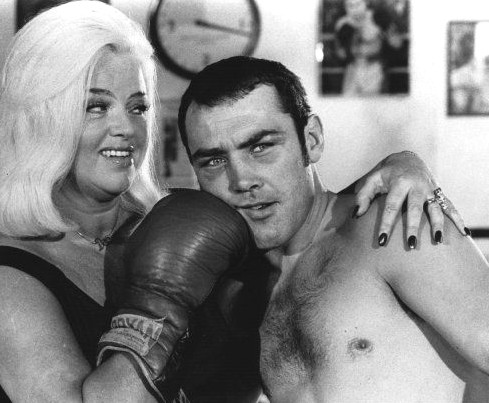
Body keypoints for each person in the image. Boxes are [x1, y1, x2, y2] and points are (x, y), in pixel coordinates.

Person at [0, 2, 466, 402]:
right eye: (94, 107)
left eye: (137, 106)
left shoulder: (183, 225)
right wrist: (157, 303)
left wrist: (400, 166)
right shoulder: (6, 277)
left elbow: (309, 219)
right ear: (41, 119)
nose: (125, 128)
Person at [176, 55, 489, 402]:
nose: (241, 180)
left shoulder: (390, 224)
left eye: (260, 147)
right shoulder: (241, 295)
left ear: (311, 140)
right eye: (214, 161)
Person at [334, 0, 404, 95]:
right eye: (350, 5)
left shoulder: (377, 17)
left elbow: (397, 43)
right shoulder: (342, 24)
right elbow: (340, 53)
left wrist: (386, 33)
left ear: (365, 3)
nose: (354, 9)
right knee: (347, 102)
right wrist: (349, 40)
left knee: (372, 102)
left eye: (358, 4)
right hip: (352, 69)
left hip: (374, 69)